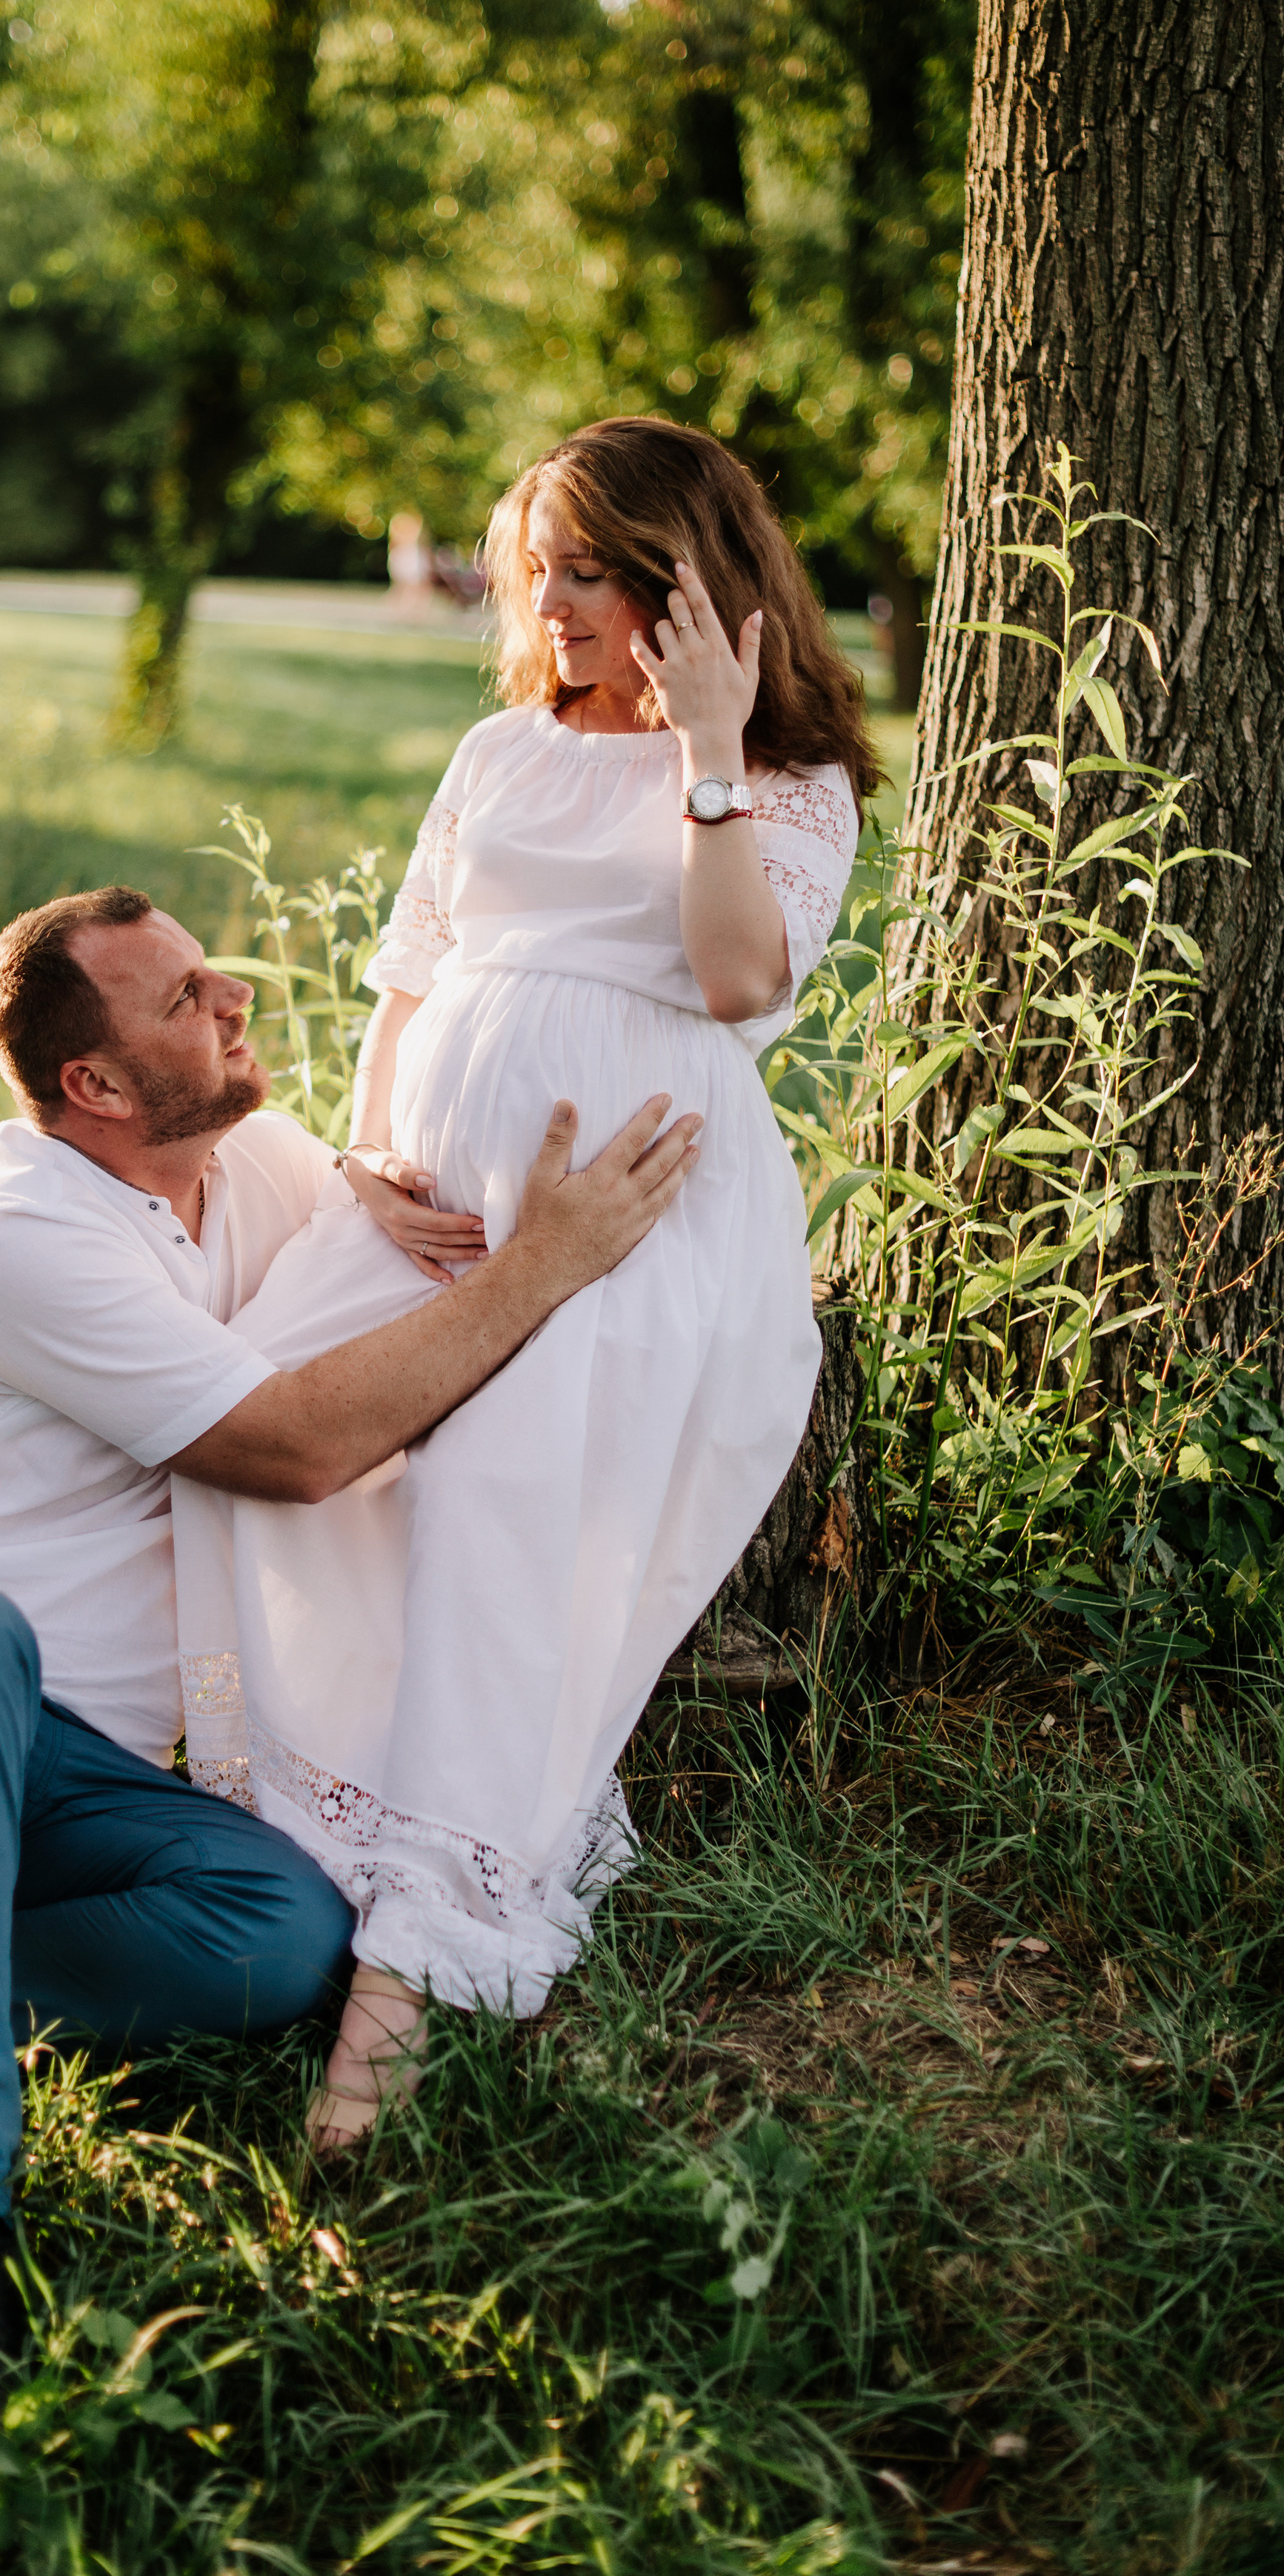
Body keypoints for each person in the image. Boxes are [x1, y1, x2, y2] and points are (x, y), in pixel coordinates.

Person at [0, 883, 703, 2372]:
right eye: (180, 996)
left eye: (206, 970)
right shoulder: (21, 1236)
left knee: (281, 1933)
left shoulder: (250, 1171)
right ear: (92, 1087)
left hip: (71, 1774)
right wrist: (536, 1267)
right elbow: (292, 1443)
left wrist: (392, 1189)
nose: (229, 994)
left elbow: (371, 1233)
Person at [170, 416, 880, 2151]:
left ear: (683, 583)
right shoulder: (498, 753)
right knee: (246, 1424)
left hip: (634, 1231)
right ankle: (310, 1834)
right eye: (534, 571)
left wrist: (707, 756)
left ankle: (412, 1961)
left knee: (492, 1503)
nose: (544, 605)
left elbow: (728, 982)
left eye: (583, 571)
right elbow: (416, 975)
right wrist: (367, 1157)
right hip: (436, 1224)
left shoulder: (785, 785)